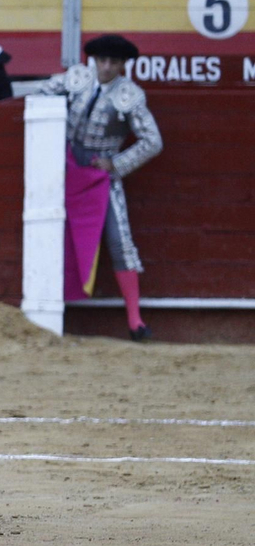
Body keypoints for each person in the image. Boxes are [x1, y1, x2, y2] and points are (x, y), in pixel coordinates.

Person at [41, 34, 163, 341]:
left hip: (100, 176)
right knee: (50, 232)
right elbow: (41, 95)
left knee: (119, 240)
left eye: (113, 62)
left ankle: (135, 321)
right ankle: (48, 312)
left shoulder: (130, 95)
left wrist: (117, 164)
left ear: (122, 65)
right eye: (101, 60)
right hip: (64, 168)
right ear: (93, 60)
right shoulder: (76, 77)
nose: (106, 67)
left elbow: (153, 141)